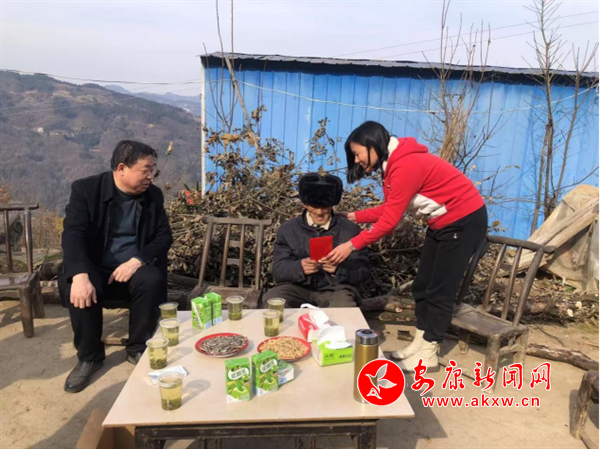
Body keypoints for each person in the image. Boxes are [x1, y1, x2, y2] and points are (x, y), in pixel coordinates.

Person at [324, 121, 487, 373]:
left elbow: (390, 221)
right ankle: (420, 344)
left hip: (463, 221)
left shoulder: (405, 165)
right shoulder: (392, 164)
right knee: (423, 285)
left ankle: (429, 353)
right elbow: (390, 207)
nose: (356, 160)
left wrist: (351, 245)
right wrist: (354, 216)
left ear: (373, 145)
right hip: (441, 223)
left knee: (440, 290)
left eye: (357, 153)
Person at [58, 140, 173, 393]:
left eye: (152, 170)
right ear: (122, 168)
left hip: (132, 269)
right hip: (96, 267)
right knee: (77, 285)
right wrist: (80, 274)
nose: (151, 176)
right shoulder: (87, 190)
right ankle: (89, 357)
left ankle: (138, 347)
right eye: (145, 170)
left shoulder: (153, 196)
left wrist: (137, 260)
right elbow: (73, 234)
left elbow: (164, 236)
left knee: (151, 279)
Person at [263, 173, 370, 308]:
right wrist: (299, 267)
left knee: (344, 305)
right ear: (304, 204)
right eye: (314, 206)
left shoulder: (351, 230)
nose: (319, 212)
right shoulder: (287, 229)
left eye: (324, 207)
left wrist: (339, 270)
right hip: (297, 288)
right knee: (273, 300)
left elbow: (363, 271)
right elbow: (278, 270)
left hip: (336, 290)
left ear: (332, 204)